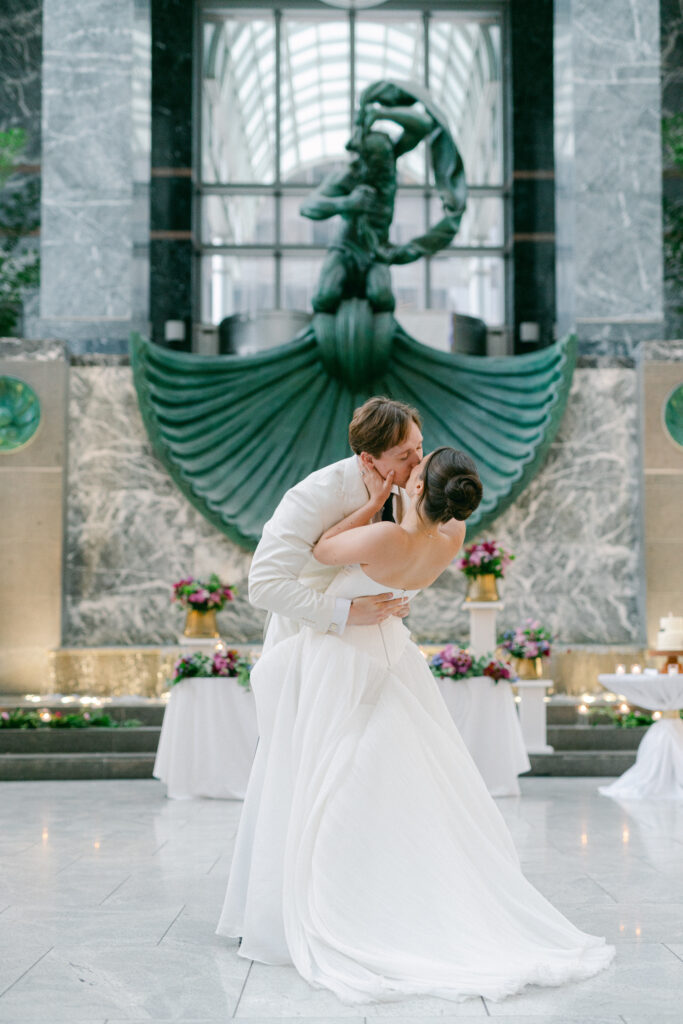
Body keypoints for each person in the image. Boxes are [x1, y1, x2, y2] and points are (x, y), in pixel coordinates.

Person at [216, 405, 614, 1006]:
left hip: (373, 653)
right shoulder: (317, 495)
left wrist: (378, 572)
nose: (415, 461)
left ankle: (377, 905)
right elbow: (265, 585)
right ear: (369, 458)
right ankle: (275, 907)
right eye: (406, 453)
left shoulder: (408, 510)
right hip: (315, 645)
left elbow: (351, 554)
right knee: (303, 777)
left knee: (368, 781)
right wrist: (350, 606)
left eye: (419, 451)